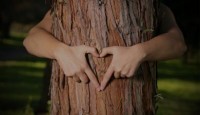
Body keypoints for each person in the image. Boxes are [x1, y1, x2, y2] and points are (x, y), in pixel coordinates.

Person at [23, 3, 187, 91]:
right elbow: (31, 39)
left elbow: (178, 43)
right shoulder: (66, 6)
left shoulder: (153, 6)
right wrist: (60, 51)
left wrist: (139, 52)